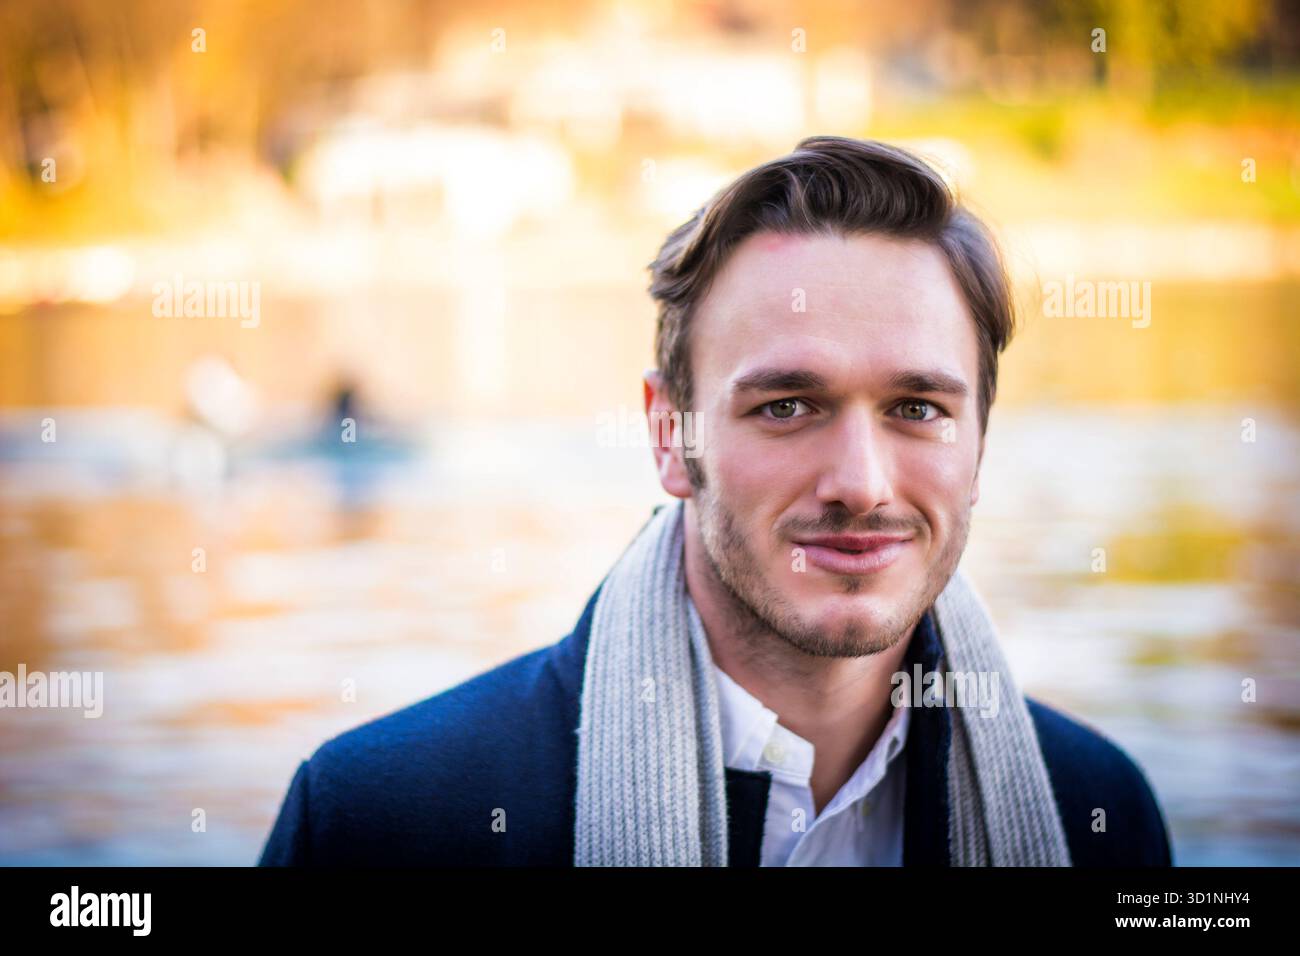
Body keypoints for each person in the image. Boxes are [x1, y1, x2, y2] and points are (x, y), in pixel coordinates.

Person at [258, 135, 1173, 867]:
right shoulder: (385, 823)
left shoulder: (1098, 812)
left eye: (917, 409)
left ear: (979, 444)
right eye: (786, 406)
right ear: (670, 436)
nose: (860, 482)